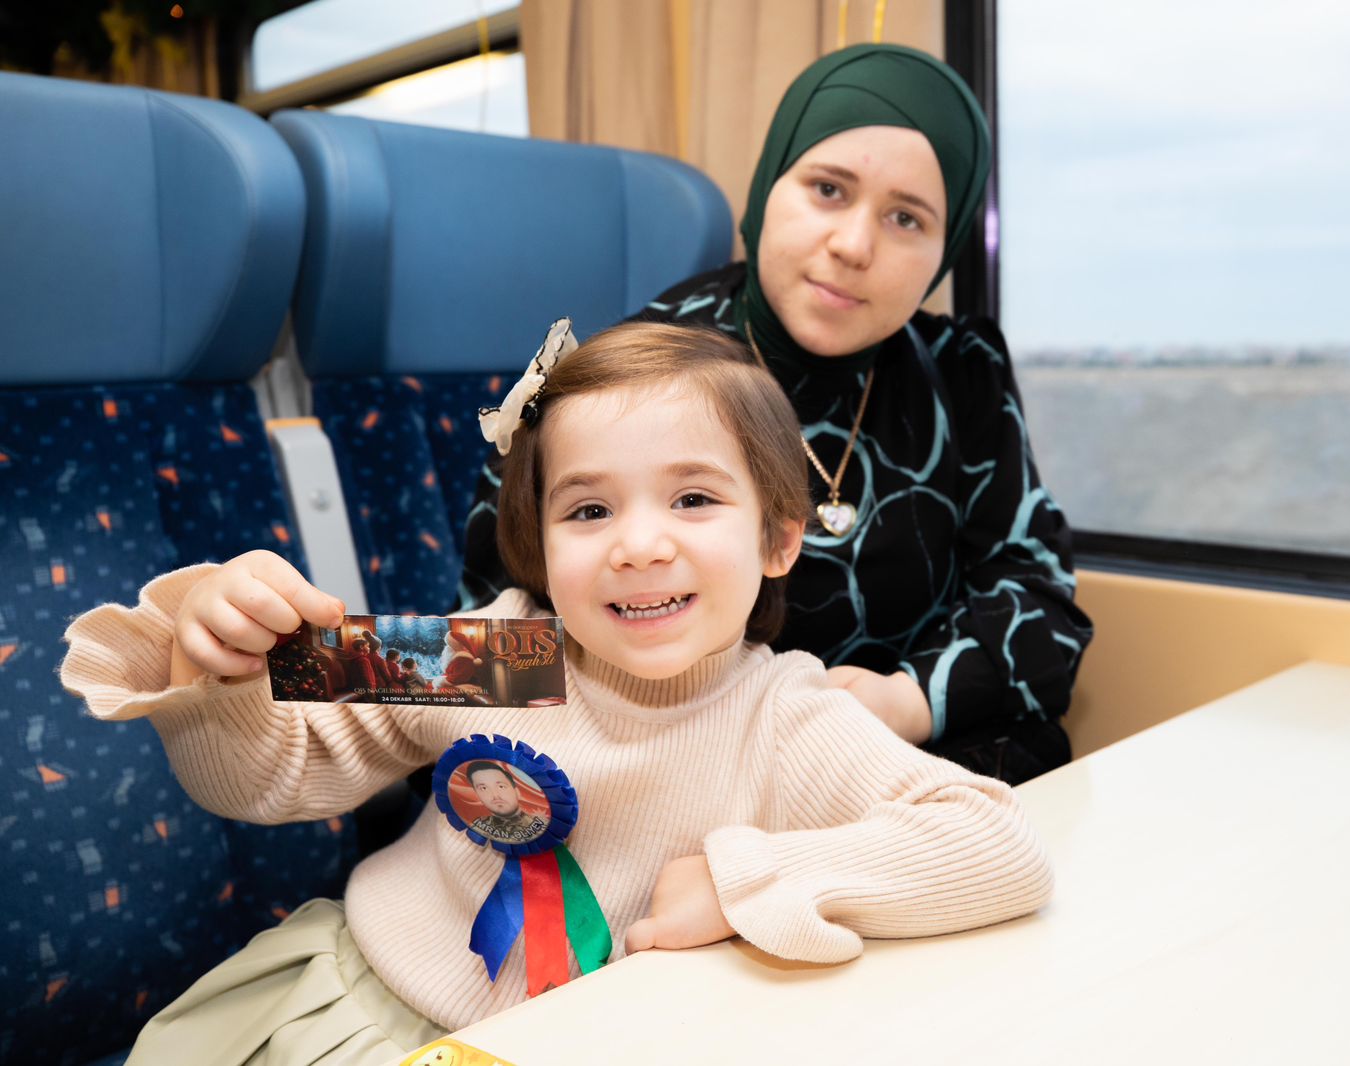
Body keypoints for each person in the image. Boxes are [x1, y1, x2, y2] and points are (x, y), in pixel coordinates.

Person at [60, 321, 1053, 1066]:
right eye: (589, 509)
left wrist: (745, 879)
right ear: (540, 543)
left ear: (778, 538)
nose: (638, 543)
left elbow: (998, 845)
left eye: (693, 498)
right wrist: (225, 671)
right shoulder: (500, 648)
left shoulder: (784, 716)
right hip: (354, 1011)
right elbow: (267, 777)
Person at [457, 44, 1093, 785]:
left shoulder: (963, 369)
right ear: (766, 190)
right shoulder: (637, 377)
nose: (854, 245)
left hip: (918, 761)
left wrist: (906, 701)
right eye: (828, 189)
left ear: (943, 254)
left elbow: (1039, 601)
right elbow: (478, 654)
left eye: (906, 218)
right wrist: (325, 663)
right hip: (681, 774)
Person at [464, 761, 547, 844]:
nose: (495, 796)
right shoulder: (477, 830)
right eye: (484, 788)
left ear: (517, 791)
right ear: (478, 795)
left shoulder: (542, 827)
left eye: (501, 786)